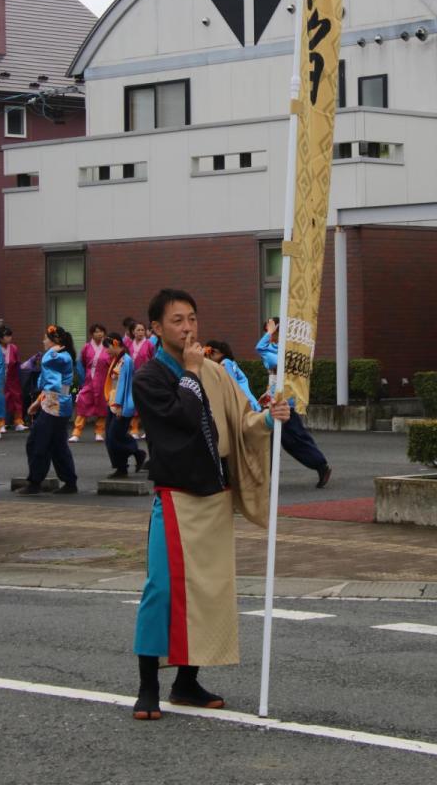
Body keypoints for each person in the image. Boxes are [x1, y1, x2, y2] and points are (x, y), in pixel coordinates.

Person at [130, 288, 289, 721]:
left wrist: (270, 417)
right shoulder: (148, 377)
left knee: (208, 592)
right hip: (176, 496)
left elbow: (243, 422)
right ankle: (148, 686)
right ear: (158, 329)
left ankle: (186, 681)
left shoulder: (216, 374)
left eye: (193, 319)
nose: (188, 328)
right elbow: (180, 418)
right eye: (178, 321)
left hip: (214, 495)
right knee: (160, 589)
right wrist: (192, 371)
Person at [255, 318, 332, 489]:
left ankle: (320, 465)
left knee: (295, 439)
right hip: (273, 401)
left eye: (271, 332)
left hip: (285, 402)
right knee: (270, 440)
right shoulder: (275, 349)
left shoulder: (287, 351)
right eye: (267, 332)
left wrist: (270, 333)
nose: (268, 336)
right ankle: (266, 478)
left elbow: (260, 348)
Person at [17, 325, 78, 496]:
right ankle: (69, 481)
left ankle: (35, 482)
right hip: (52, 403)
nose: (43, 341)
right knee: (56, 444)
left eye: (46, 338)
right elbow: (48, 385)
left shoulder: (60, 357)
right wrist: (37, 402)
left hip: (56, 405)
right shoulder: (60, 356)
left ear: (56, 340)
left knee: (37, 442)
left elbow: (48, 366)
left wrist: (54, 349)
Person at [103, 333, 146, 478]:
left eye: (107, 347)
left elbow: (124, 384)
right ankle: (121, 466)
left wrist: (119, 404)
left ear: (116, 344)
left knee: (114, 436)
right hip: (113, 402)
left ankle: (135, 452)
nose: (106, 351)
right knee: (110, 436)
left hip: (121, 403)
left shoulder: (126, 361)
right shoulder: (117, 359)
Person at [70, 323, 109, 442]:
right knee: (83, 404)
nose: (99, 334)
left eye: (101, 331)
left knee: (102, 407)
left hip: (103, 381)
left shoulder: (108, 347)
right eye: (97, 331)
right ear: (92, 334)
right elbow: (82, 363)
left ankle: (99, 432)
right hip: (89, 381)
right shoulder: (86, 347)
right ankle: (76, 432)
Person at [205, 340, 261, 412]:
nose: (209, 356)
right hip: (243, 395)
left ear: (219, 353)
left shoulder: (225, 363)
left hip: (242, 398)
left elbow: (231, 383)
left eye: (210, 352)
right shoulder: (228, 362)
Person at [1, 327, 26, 431]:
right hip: (1, 379)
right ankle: (0, 423)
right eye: (6, 336)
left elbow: (17, 363)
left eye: (9, 335)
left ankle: (18, 421)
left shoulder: (14, 348)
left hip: (12, 378)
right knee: (2, 401)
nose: (8, 338)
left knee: (17, 399)